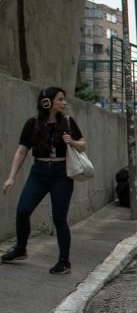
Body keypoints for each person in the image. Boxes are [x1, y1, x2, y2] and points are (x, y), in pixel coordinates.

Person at [2, 87, 86, 275]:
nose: (64, 103)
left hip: (61, 173)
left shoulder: (68, 122)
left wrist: (72, 142)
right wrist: (11, 177)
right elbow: (22, 151)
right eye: (60, 99)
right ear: (47, 102)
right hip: (39, 172)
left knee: (59, 217)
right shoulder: (32, 124)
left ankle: (64, 261)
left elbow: (83, 144)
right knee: (23, 210)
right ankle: (21, 249)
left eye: (64, 99)